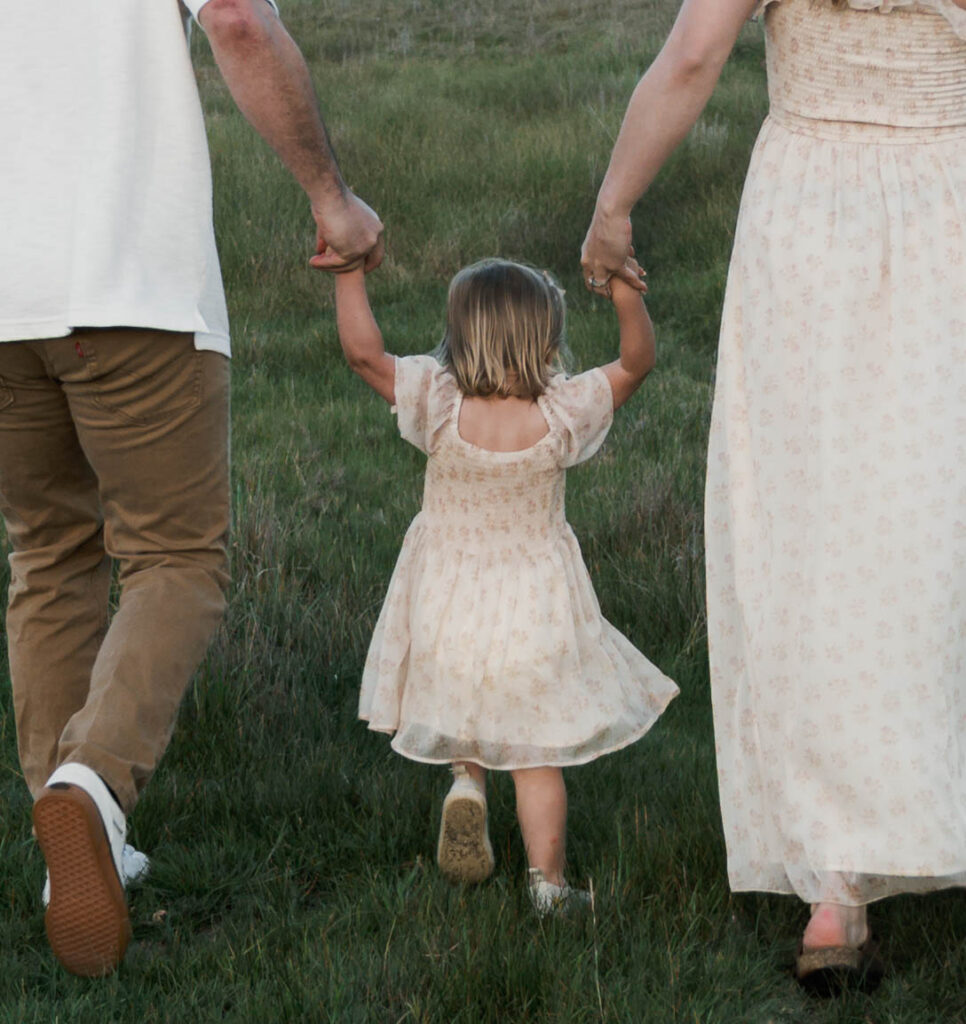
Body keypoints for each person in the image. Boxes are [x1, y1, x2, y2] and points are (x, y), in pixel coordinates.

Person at [581, 0, 966, 991]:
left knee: (816, 532)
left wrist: (614, 206)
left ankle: (837, 896)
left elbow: (694, 54)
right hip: (949, 203)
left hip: (810, 216)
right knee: (938, 523)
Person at [0, 0, 383, 977]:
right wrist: (330, 195)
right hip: (134, 284)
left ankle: (73, 853)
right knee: (174, 558)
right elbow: (241, 23)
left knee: (50, 555)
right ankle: (91, 788)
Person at [333, 257, 679, 914]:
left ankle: (466, 780)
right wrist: (627, 292)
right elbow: (636, 362)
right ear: (546, 341)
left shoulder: (436, 400)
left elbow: (363, 354)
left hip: (446, 596)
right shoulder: (563, 410)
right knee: (535, 745)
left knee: (469, 707)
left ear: (459, 336)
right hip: (536, 603)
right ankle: (547, 885)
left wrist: (348, 272)